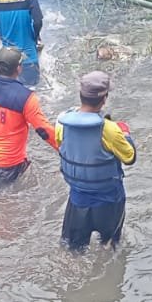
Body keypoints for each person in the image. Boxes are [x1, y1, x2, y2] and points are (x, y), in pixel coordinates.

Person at [56, 71, 137, 250]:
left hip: (77, 201)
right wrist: (125, 134)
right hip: (109, 202)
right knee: (110, 248)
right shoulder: (110, 130)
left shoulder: (62, 123)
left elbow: (62, 146)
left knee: (73, 251)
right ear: (104, 98)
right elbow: (130, 157)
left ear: (81, 95)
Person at [0, 46, 57, 184]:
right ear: (19, 68)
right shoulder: (26, 97)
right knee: (6, 201)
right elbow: (43, 130)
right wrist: (64, 149)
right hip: (9, 164)